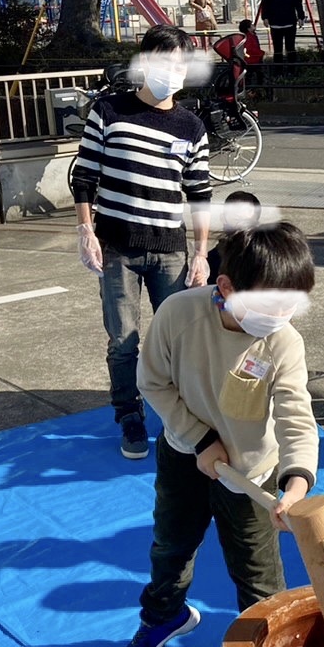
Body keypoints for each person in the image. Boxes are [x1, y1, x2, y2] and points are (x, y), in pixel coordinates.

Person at [119, 222, 318, 647]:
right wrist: (200, 441)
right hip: (183, 456)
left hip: (250, 473)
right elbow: (152, 382)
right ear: (226, 287)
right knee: (171, 547)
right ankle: (164, 616)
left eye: (292, 306)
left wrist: (296, 483)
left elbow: (296, 417)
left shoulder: (282, 342)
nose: (280, 316)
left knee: (258, 574)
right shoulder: (178, 313)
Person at [70, 25, 212, 461]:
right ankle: (129, 415)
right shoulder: (109, 112)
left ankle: (181, 416)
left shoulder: (192, 127)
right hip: (117, 246)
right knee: (124, 340)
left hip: (171, 248)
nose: (170, 71)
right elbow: (85, 175)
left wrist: (202, 252)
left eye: (178, 64)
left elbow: (200, 193)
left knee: (179, 340)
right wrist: (86, 230)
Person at [207, 190, 261, 281]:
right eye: (236, 220)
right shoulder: (212, 259)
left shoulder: (264, 256)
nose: (240, 229)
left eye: (246, 222)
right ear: (223, 218)